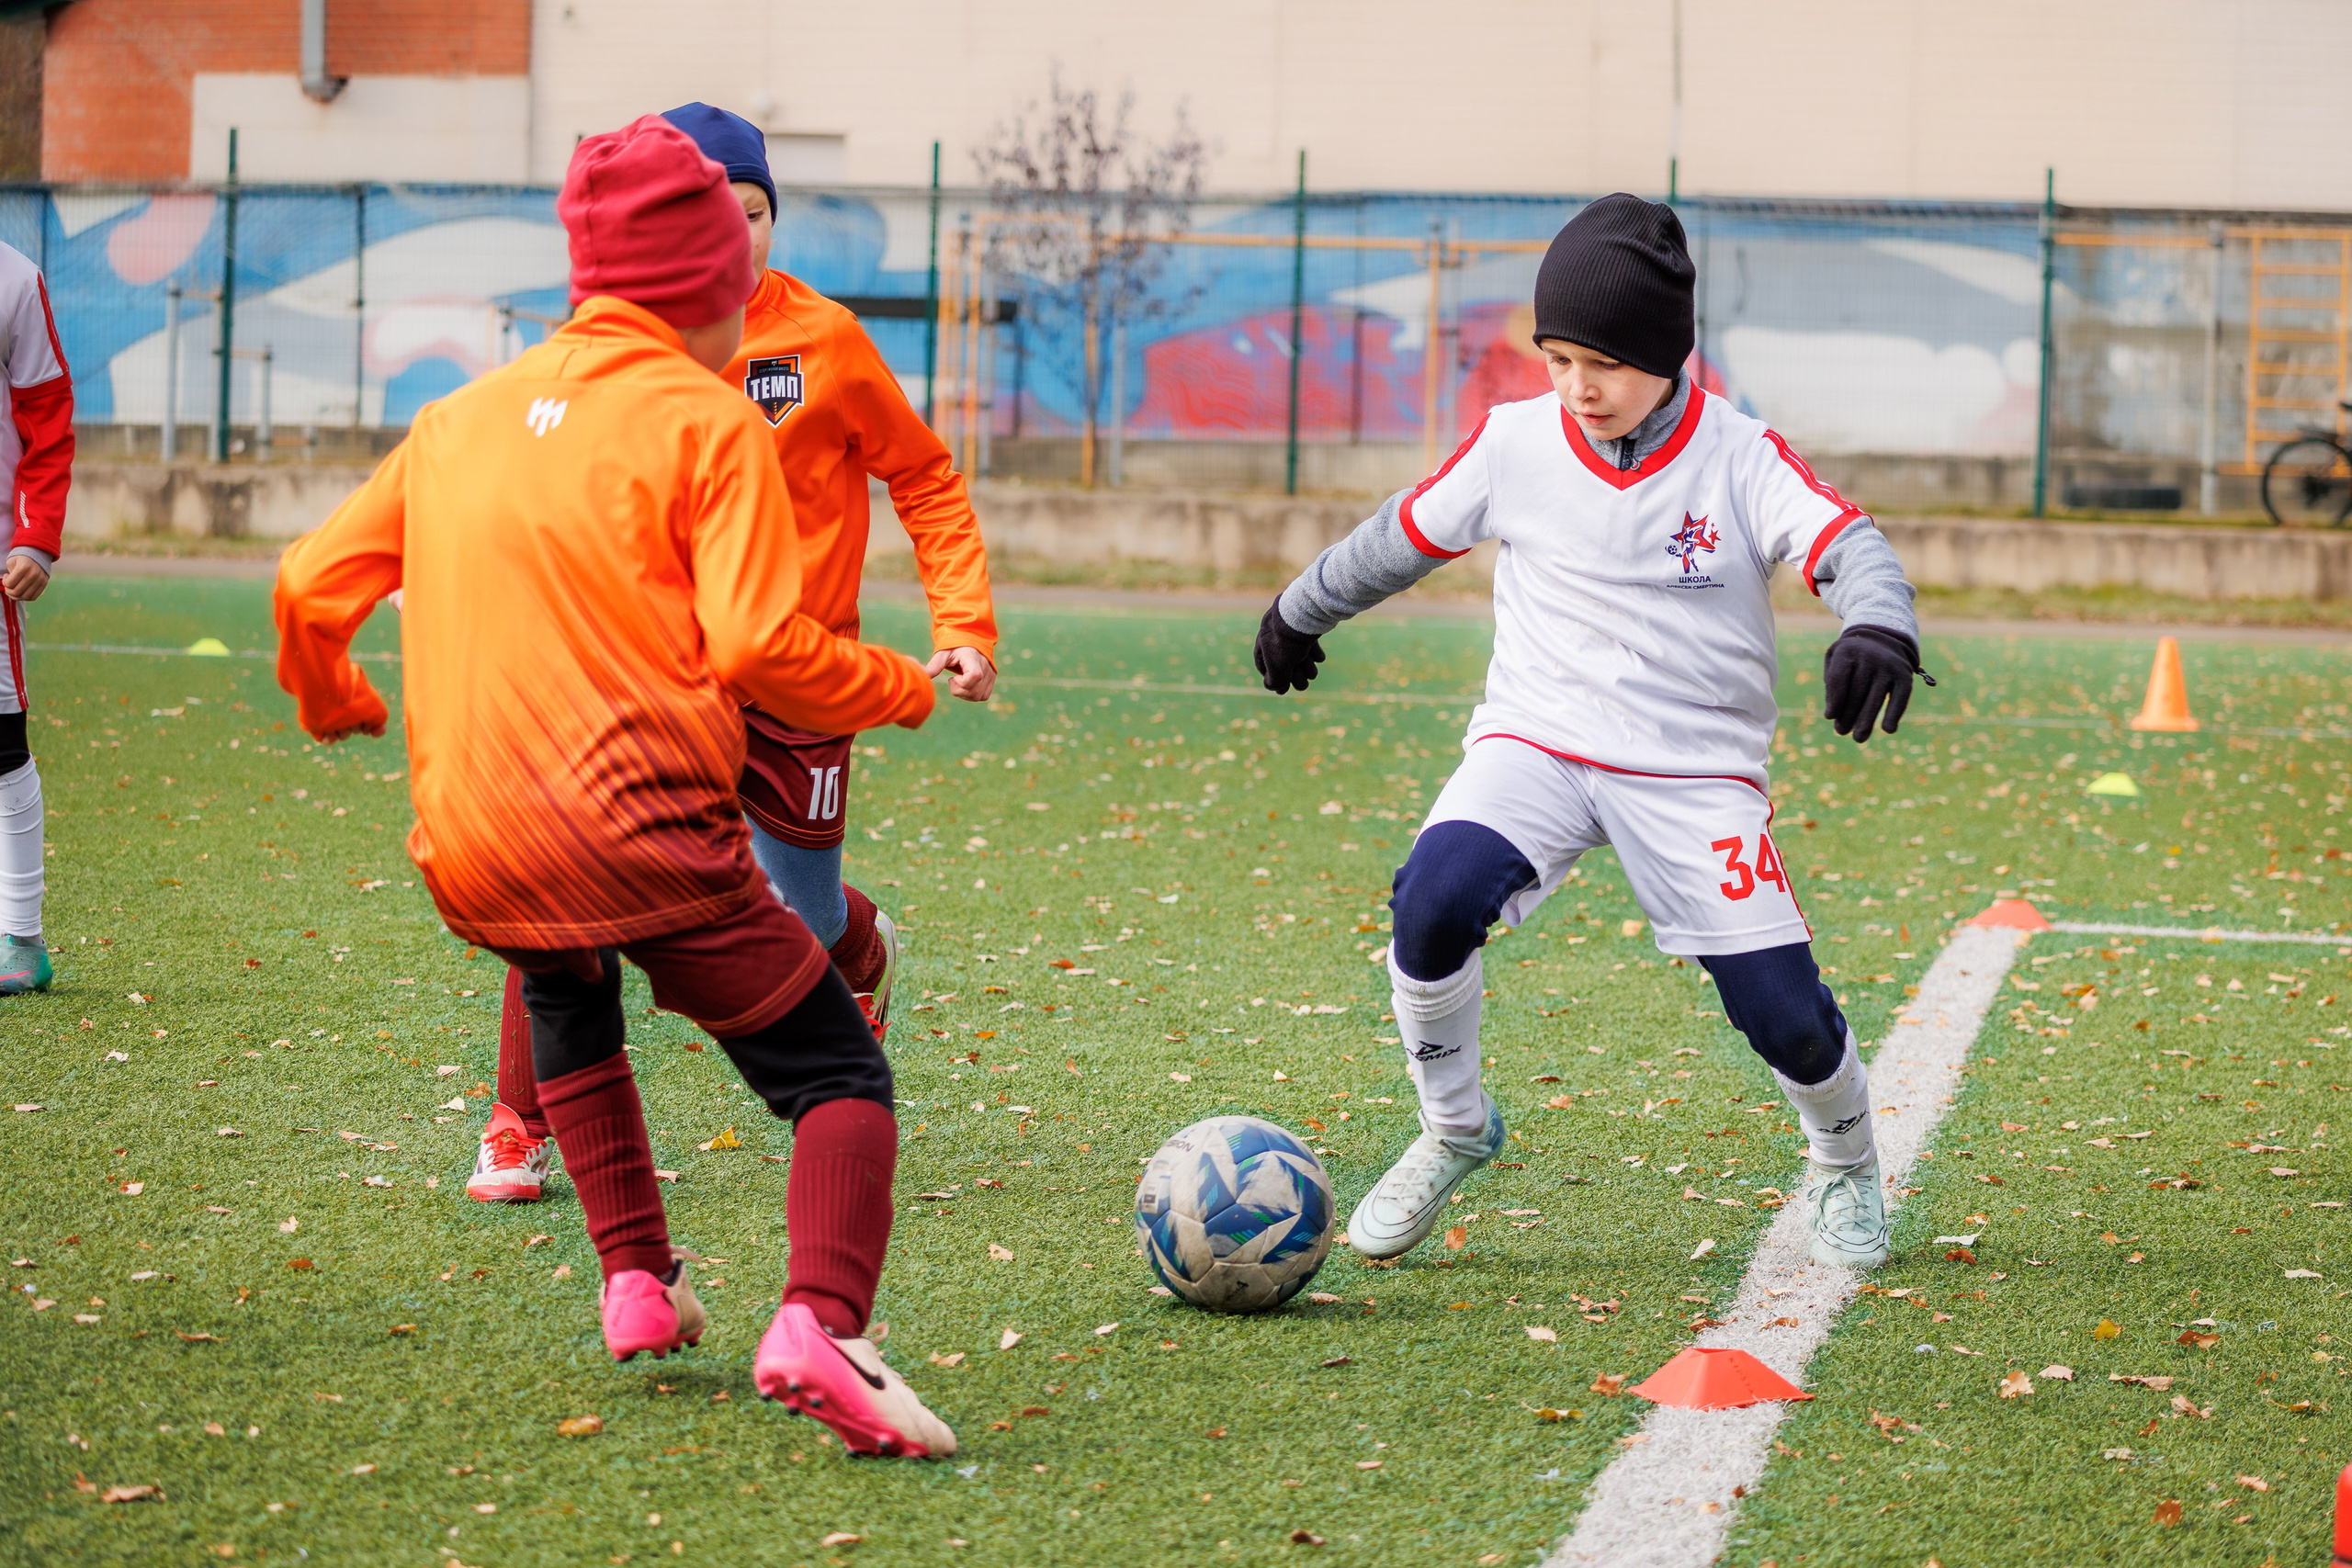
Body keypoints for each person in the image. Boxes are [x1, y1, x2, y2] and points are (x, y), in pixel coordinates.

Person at [275, 116, 956, 1456]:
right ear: (714, 287)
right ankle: (827, 1322)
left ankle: (637, 1282)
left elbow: (310, 585)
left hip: (472, 843)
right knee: (838, 1071)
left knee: (565, 986)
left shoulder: (457, 418)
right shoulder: (707, 420)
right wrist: (901, 685)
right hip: (645, 827)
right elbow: (763, 648)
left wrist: (336, 696)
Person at [1254, 194, 1928, 1272]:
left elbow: (1850, 546)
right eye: (1558, 358)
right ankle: (1455, 1127)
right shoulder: (1515, 441)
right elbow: (1404, 533)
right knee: (1429, 903)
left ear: (1668, 350)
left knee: (1784, 1017)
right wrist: (1301, 607)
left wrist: (1877, 626)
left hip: (1692, 772)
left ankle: (1845, 1160)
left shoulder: (1742, 456)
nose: (1577, 386)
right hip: (1539, 741)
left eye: (1602, 362)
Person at [467, 100, 998, 1205]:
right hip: (645, 672)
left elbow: (926, 477)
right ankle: (520, 1122)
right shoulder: (612, 346)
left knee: (787, 932)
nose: (734, 230)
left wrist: (963, 623)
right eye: (708, 208)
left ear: (769, 219)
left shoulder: (825, 341)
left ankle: (858, 947)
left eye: (751, 209)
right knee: (569, 890)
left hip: (797, 671)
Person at [0, 240, 71, 996]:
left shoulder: (14, 280)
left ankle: (23, 937)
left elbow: (48, 420)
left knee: (1, 743)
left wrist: (35, 539)